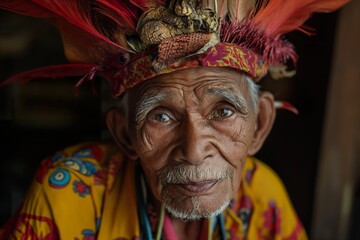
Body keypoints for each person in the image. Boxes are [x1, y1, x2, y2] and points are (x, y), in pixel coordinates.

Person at [0, 0, 348, 239]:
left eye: (223, 111)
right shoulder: (69, 194)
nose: (194, 150)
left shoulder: (263, 198)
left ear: (259, 126)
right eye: (161, 116)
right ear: (125, 135)